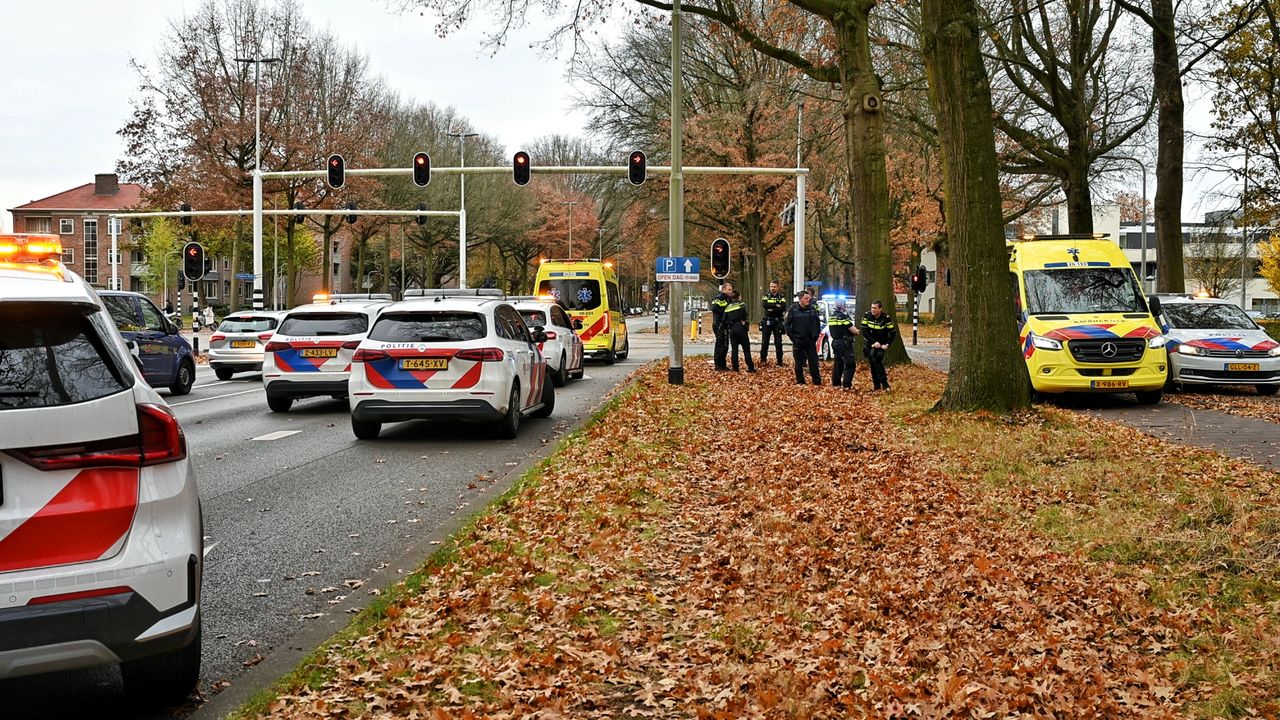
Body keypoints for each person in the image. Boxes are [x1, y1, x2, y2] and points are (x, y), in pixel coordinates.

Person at [785, 290, 822, 385]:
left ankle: (817, 381)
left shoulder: (812, 309)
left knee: (813, 361)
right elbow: (787, 325)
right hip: (798, 340)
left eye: (809, 298)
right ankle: (800, 381)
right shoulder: (793, 309)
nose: (808, 300)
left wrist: (815, 335)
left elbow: (817, 323)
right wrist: (793, 338)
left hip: (810, 340)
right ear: (800, 299)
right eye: (806, 298)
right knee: (799, 362)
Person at [861, 299, 897, 391]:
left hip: (881, 345)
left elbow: (893, 333)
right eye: (872, 308)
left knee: (876, 360)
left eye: (875, 308)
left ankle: (885, 384)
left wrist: (887, 344)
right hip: (870, 343)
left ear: (880, 309)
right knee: (873, 365)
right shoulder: (867, 316)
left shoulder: (886, 318)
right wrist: (873, 342)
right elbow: (864, 331)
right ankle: (877, 386)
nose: (873, 310)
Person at [827, 299, 860, 389]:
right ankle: (846, 384)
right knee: (850, 364)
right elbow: (854, 331)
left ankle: (836, 383)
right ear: (843, 306)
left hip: (835, 342)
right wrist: (858, 331)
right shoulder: (843, 317)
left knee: (838, 363)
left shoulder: (832, 317)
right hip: (844, 343)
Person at [723, 290, 756, 372]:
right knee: (746, 349)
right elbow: (744, 315)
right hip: (741, 328)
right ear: (739, 296)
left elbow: (724, 320)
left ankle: (735, 368)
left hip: (732, 329)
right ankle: (751, 367)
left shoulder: (728, 307)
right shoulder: (742, 304)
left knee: (734, 350)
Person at [759, 280, 787, 366]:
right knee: (765, 342)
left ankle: (779, 361)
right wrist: (776, 306)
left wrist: (772, 309)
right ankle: (763, 360)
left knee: (778, 342)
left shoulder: (781, 296)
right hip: (767, 321)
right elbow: (765, 305)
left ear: (778, 287)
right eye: (771, 286)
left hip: (777, 321)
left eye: (774, 286)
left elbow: (783, 307)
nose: (772, 288)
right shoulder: (766, 295)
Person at [710, 282, 733, 371]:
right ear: (724, 290)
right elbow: (715, 308)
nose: (731, 291)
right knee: (720, 344)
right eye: (729, 289)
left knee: (725, 345)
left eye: (731, 289)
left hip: (726, 324)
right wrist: (726, 312)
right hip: (719, 324)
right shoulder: (718, 298)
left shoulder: (730, 299)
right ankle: (718, 365)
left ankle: (723, 365)